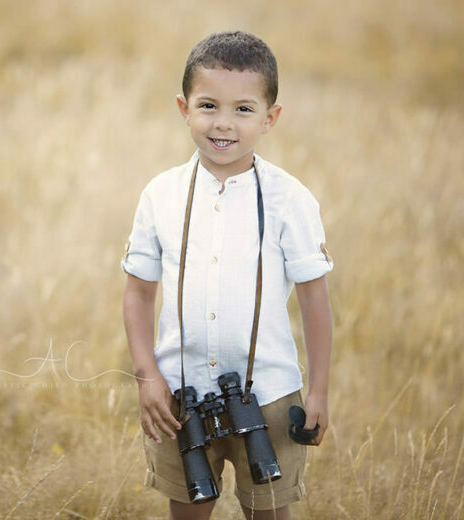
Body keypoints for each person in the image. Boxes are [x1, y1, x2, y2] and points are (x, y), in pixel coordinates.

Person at [122, 31, 333, 520]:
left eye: (243, 109)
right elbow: (138, 294)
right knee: (187, 508)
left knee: (269, 511)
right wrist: (147, 376)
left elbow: (314, 300)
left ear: (269, 118)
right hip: (179, 395)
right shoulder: (160, 195)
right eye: (208, 106)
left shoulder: (290, 199)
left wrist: (319, 391)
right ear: (184, 108)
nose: (223, 123)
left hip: (269, 394)